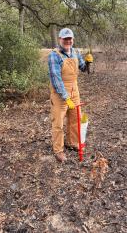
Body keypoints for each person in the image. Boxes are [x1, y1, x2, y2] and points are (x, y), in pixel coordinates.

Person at [48, 28, 93, 162]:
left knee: (75, 119)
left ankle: (72, 142)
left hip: (75, 91)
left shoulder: (75, 52)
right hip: (59, 94)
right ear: (60, 40)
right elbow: (56, 80)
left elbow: (83, 68)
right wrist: (66, 97)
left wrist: (88, 63)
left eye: (70, 39)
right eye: (65, 39)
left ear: (72, 40)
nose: (68, 41)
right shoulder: (54, 56)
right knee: (58, 122)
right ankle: (58, 150)